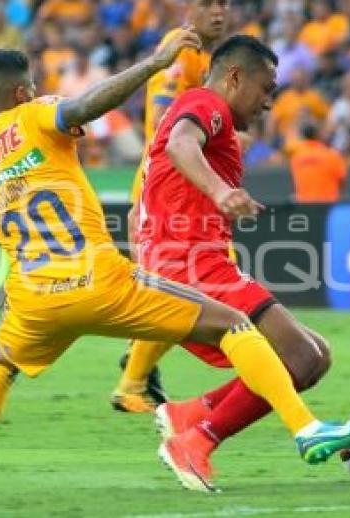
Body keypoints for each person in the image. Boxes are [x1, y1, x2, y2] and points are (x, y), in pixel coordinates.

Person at [0, 35, 350, 505]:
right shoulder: (33, 115)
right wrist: (153, 64)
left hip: (32, 294)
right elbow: (83, 107)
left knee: (0, 364)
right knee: (233, 324)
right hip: (99, 276)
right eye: (34, 86)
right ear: (21, 93)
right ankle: (304, 428)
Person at [134, 35, 335, 491]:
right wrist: (221, 192)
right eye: (265, 89)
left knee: (317, 355)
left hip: (184, 260)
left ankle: (193, 414)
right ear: (235, 77)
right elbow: (180, 146)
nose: (268, 102)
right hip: (189, 262)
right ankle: (195, 442)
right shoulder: (207, 103)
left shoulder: (209, 113)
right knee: (300, 357)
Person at [113, 0, 231, 413]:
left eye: (223, 2)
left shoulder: (202, 56)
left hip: (178, 191)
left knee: (183, 288)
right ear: (189, 8)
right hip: (164, 192)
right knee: (187, 286)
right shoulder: (183, 51)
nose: (217, 11)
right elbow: (166, 119)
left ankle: (137, 372)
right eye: (208, 3)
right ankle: (132, 381)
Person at [290, 121, 348, 203]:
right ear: (318, 134)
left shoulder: (296, 157)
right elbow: (342, 181)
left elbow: (295, 185)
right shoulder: (332, 155)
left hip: (305, 206)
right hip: (328, 205)